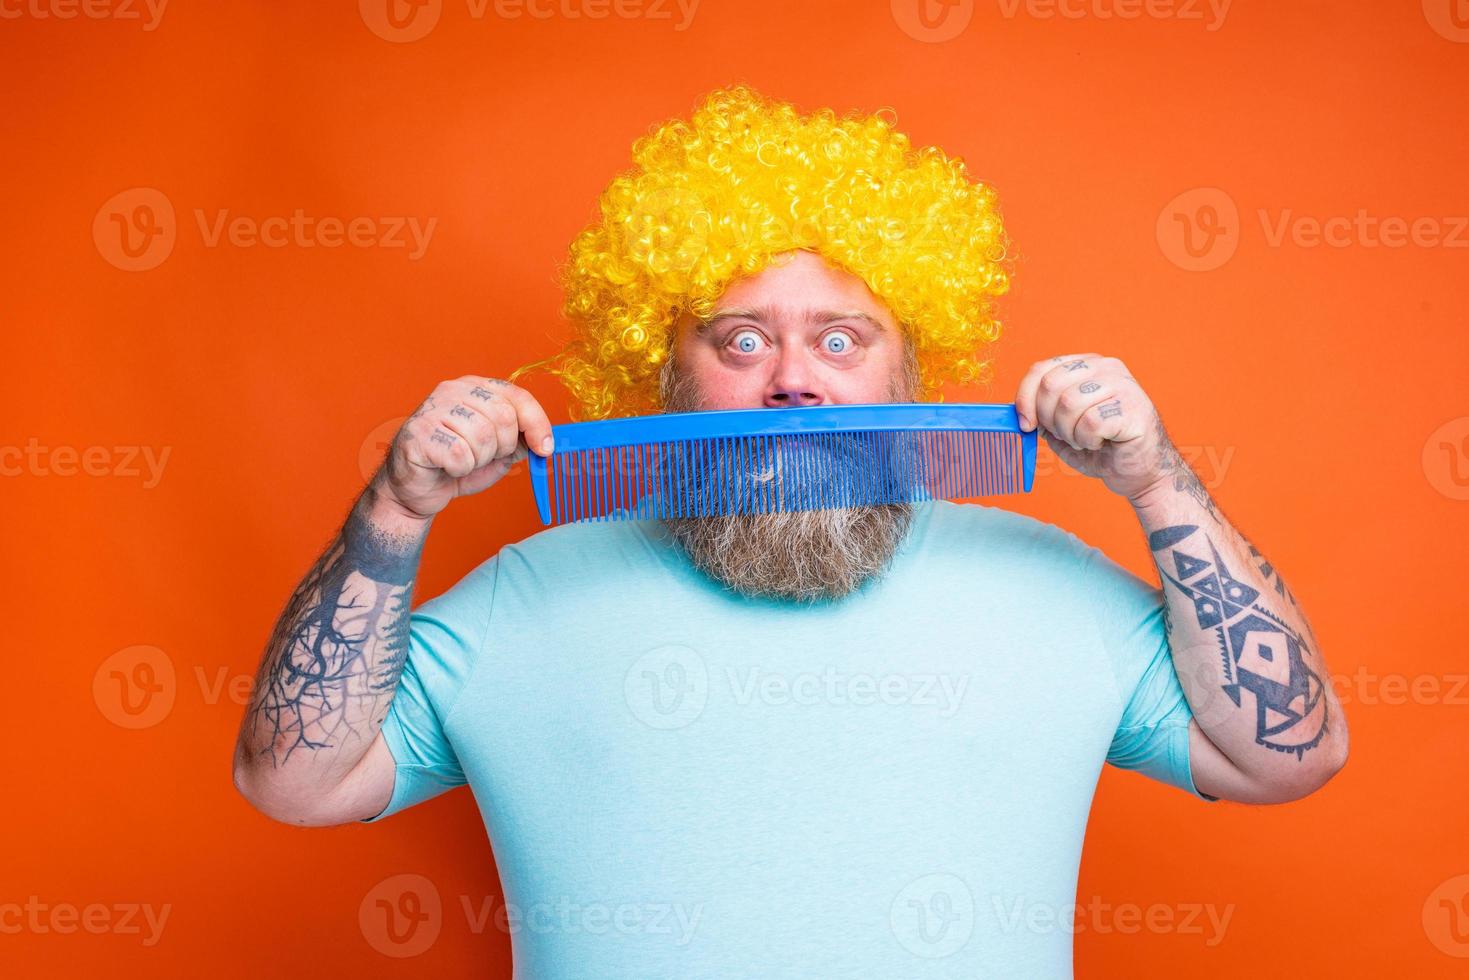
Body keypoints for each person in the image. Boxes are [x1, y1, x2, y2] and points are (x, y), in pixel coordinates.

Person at [232, 86, 1347, 976]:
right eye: (742, 340)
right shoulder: (527, 593)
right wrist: (395, 509)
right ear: (665, 373)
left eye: (841, 337)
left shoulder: (1051, 585)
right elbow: (295, 780)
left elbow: (1282, 755)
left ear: (910, 366)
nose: (795, 382)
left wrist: (1156, 482)